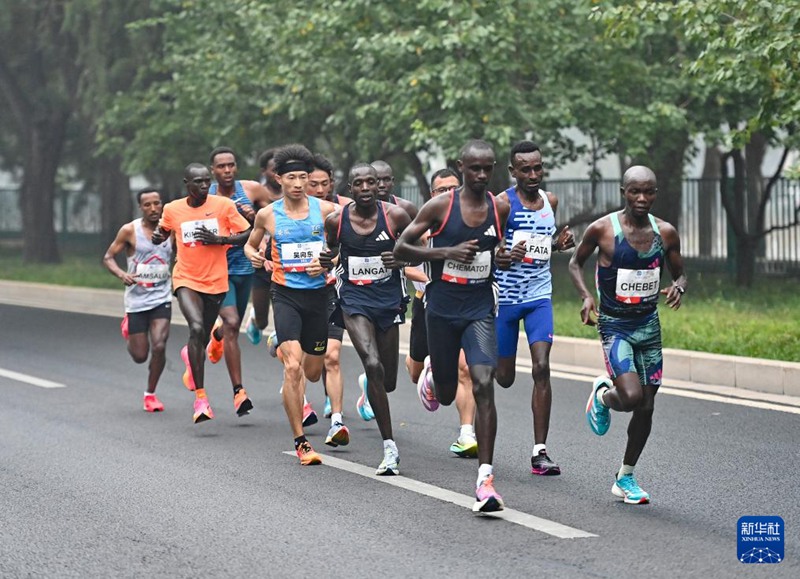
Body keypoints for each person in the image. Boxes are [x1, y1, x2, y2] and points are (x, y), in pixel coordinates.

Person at [394, 139, 512, 513]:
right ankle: (432, 376)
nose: (480, 175)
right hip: (441, 309)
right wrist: (444, 253)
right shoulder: (441, 206)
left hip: (479, 307)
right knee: (446, 394)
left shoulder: (500, 207)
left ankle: (485, 480)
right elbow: (400, 249)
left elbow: (497, 251)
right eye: (474, 168)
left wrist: (504, 257)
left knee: (483, 382)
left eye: (487, 168)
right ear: (461, 167)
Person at [568, 165, 686, 504]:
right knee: (631, 397)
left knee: (647, 406)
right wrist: (586, 296)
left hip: (649, 327)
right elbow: (575, 263)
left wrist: (678, 286)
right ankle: (604, 396)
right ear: (624, 192)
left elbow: (681, 274)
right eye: (635, 191)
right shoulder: (603, 229)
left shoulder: (665, 233)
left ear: (655, 194)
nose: (642, 198)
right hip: (614, 326)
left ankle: (626, 476)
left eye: (648, 192)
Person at [244, 144, 339, 466]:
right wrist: (253, 255)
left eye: (303, 177)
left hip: (319, 296)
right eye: (292, 178)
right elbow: (250, 244)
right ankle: (301, 442)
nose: (298, 183)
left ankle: (282, 343)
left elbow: (343, 249)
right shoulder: (267, 214)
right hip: (286, 294)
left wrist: (328, 262)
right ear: (278, 179)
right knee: (293, 367)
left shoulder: (326, 211)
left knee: (313, 371)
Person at [322, 163, 412, 474]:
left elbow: (417, 251)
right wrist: (326, 258)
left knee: (386, 381)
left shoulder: (396, 216)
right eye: (358, 183)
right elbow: (331, 251)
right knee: (372, 363)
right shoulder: (336, 220)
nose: (364, 188)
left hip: (388, 301)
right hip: (354, 299)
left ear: (378, 186)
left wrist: (400, 257)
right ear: (349, 189)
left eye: (370, 183)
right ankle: (390, 448)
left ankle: (369, 387)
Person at [494, 141, 575, 476]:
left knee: (542, 366)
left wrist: (558, 245)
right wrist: (503, 254)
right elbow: (491, 250)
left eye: (537, 168)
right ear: (513, 171)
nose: (533, 174)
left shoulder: (550, 202)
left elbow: (544, 244)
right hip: (506, 300)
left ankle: (540, 451)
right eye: (525, 169)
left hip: (539, 296)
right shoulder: (501, 204)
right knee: (504, 377)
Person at [151, 163, 251, 423]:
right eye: (199, 182)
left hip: (216, 281)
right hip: (186, 278)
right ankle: (201, 398)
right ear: (187, 183)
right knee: (196, 328)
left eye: (207, 181)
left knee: (203, 335)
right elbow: (162, 231)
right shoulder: (173, 209)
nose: (205, 186)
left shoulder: (223, 206)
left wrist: (220, 240)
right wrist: (157, 237)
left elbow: (247, 232)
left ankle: (208, 341)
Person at [405, 168, 478, 458]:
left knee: (466, 369)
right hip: (427, 304)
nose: (448, 193)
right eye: (441, 190)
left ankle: (466, 433)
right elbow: (403, 263)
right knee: (413, 371)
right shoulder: (425, 223)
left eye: (453, 187)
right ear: (431, 195)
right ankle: (428, 373)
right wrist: (429, 277)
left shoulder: (472, 220)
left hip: (464, 305)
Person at [205, 146, 270, 417]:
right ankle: (239, 392)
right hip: (218, 270)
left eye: (231, 165)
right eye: (221, 166)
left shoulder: (252, 190)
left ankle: (216, 335)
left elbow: (272, 219)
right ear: (213, 171)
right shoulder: (205, 195)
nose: (227, 170)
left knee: (233, 325)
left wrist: (253, 219)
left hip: (247, 269)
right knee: (232, 323)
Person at [102, 188, 173, 412]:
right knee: (140, 356)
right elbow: (108, 257)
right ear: (140, 207)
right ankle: (129, 331)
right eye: (147, 205)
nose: (153, 208)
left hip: (162, 298)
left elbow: (182, 256)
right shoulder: (129, 231)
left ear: (162, 204)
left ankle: (150, 394)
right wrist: (122, 274)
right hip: (136, 301)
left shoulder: (171, 230)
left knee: (160, 346)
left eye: (157, 203)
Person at [306, 153, 350, 422]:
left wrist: (331, 262)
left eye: (324, 183)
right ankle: (299, 399)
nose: (320, 189)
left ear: (332, 182)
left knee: (331, 356)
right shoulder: (292, 212)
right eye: (313, 183)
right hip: (298, 292)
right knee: (305, 362)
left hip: (333, 289)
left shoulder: (345, 209)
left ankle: (337, 420)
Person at [243, 148, 283, 346]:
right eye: (273, 168)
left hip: (283, 261)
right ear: (264, 171)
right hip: (261, 260)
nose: (278, 172)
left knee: (282, 314)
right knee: (262, 319)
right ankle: (254, 320)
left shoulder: (294, 193)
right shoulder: (258, 194)